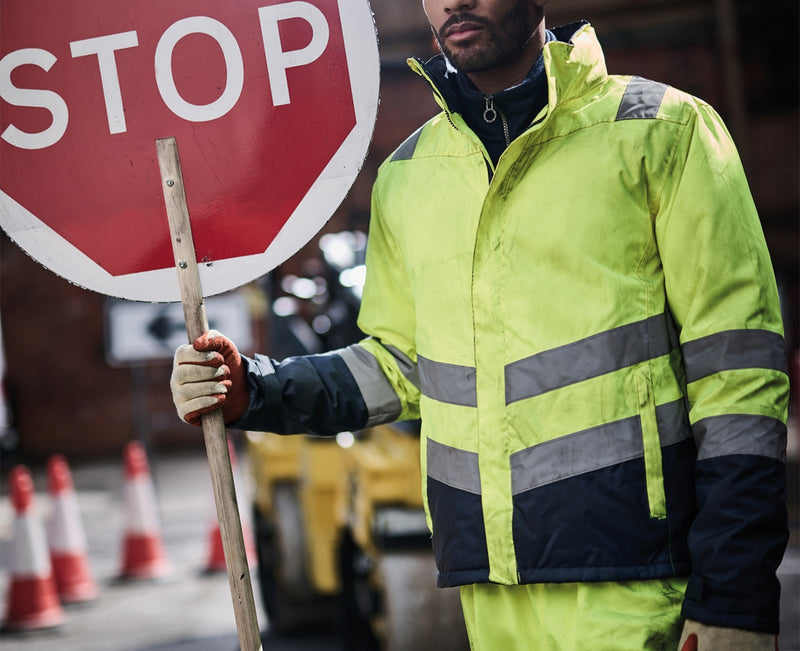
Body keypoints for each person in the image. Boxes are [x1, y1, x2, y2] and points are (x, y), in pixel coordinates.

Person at [170, 1, 790, 649]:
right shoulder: (407, 176)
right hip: (489, 591)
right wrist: (254, 389)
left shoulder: (665, 132)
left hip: (644, 582)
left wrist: (735, 597)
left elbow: (740, 379)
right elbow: (402, 366)